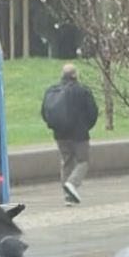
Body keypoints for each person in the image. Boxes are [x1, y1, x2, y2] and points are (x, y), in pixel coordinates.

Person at [41, 63, 99, 206]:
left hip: (60, 134)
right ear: (75, 75)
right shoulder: (83, 91)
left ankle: (68, 196)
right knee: (83, 161)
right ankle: (72, 183)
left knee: (67, 162)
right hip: (79, 135)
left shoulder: (52, 90)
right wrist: (86, 126)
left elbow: (44, 112)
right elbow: (93, 112)